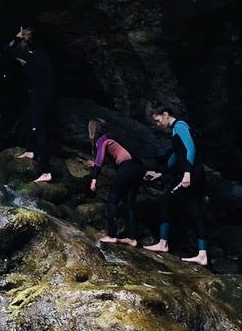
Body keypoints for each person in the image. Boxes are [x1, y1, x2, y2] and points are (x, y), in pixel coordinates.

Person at [143, 106, 208, 265]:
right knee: (195, 210)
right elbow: (174, 156)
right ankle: (202, 254)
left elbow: (190, 149)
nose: (158, 124)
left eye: (158, 120)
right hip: (196, 173)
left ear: (165, 115)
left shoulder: (180, 126)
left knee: (164, 201)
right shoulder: (175, 130)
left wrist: (187, 173)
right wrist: (161, 173)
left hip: (193, 174)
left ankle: (163, 243)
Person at [87, 119, 142, 246]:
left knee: (112, 199)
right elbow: (116, 154)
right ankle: (133, 238)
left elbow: (100, 158)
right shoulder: (114, 136)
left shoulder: (102, 139)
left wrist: (94, 179)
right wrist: (95, 164)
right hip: (139, 168)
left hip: (127, 167)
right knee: (129, 203)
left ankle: (112, 235)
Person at [10, 27, 54, 183]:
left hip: (41, 98)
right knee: (28, 119)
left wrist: (17, 38)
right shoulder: (41, 56)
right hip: (41, 95)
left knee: (40, 131)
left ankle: (46, 171)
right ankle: (30, 150)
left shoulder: (33, 58)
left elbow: (10, 51)